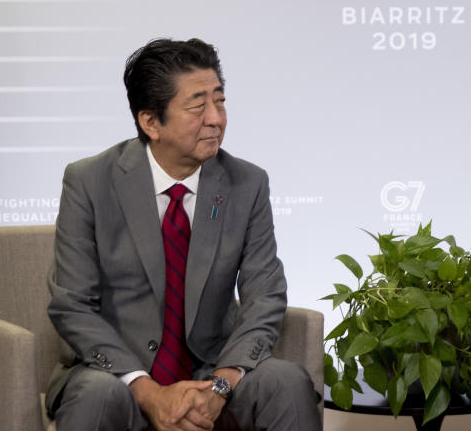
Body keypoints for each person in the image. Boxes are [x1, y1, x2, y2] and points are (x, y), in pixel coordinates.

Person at [46, 38, 320, 431]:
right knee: (95, 394)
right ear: (150, 122)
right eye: (198, 105)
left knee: (287, 382)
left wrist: (221, 384)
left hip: (212, 373)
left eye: (220, 101)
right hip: (119, 377)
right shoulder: (89, 181)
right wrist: (148, 391)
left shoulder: (247, 183)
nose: (216, 118)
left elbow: (266, 295)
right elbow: (72, 305)